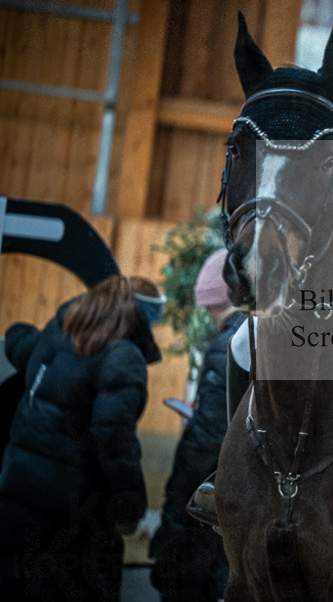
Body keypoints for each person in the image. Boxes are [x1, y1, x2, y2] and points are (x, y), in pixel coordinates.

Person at [0, 274, 164, 600]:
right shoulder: (124, 356)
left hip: (16, 492)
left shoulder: (59, 333)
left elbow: (21, 345)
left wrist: (17, 332)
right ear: (141, 316)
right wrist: (129, 507)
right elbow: (114, 440)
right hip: (72, 514)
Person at [150, 249, 244, 601]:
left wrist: (176, 505)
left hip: (209, 494)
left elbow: (208, 439)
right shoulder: (254, 339)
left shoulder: (227, 346)